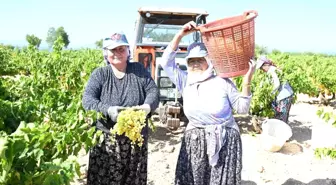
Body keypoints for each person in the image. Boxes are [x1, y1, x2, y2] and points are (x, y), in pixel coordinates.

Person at [159, 21, 256, 185]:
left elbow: (242, 108)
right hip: (195, 141)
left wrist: (247, 81)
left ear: (209, 61)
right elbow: (166, 62)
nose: (195, 64)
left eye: (199, 60)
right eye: (191, 61)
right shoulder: (185, 80)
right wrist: (180, 35)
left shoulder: (223, 81)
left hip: (224, 142)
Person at [82, 31, 160, 185]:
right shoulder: (100, 74)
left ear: (128, 51)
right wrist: (108, 110)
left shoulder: (138, 70)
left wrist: (146, 107)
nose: (117, 53)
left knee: (133, 179)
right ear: (106, 53)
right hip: (108, 142)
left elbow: (153, 91)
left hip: (135, 141)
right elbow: (88, 100)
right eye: (113, 50)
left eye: (121, 49)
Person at [255, 55, 294, 123]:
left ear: (266, 65)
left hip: (283, 97)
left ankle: (280, 132)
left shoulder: (272, 70)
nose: (262, 69)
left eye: (262, 67)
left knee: (281, 117)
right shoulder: (273, 69)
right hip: (285, 96)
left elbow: (277, 84)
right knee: (281, 117)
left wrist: (270, 95)